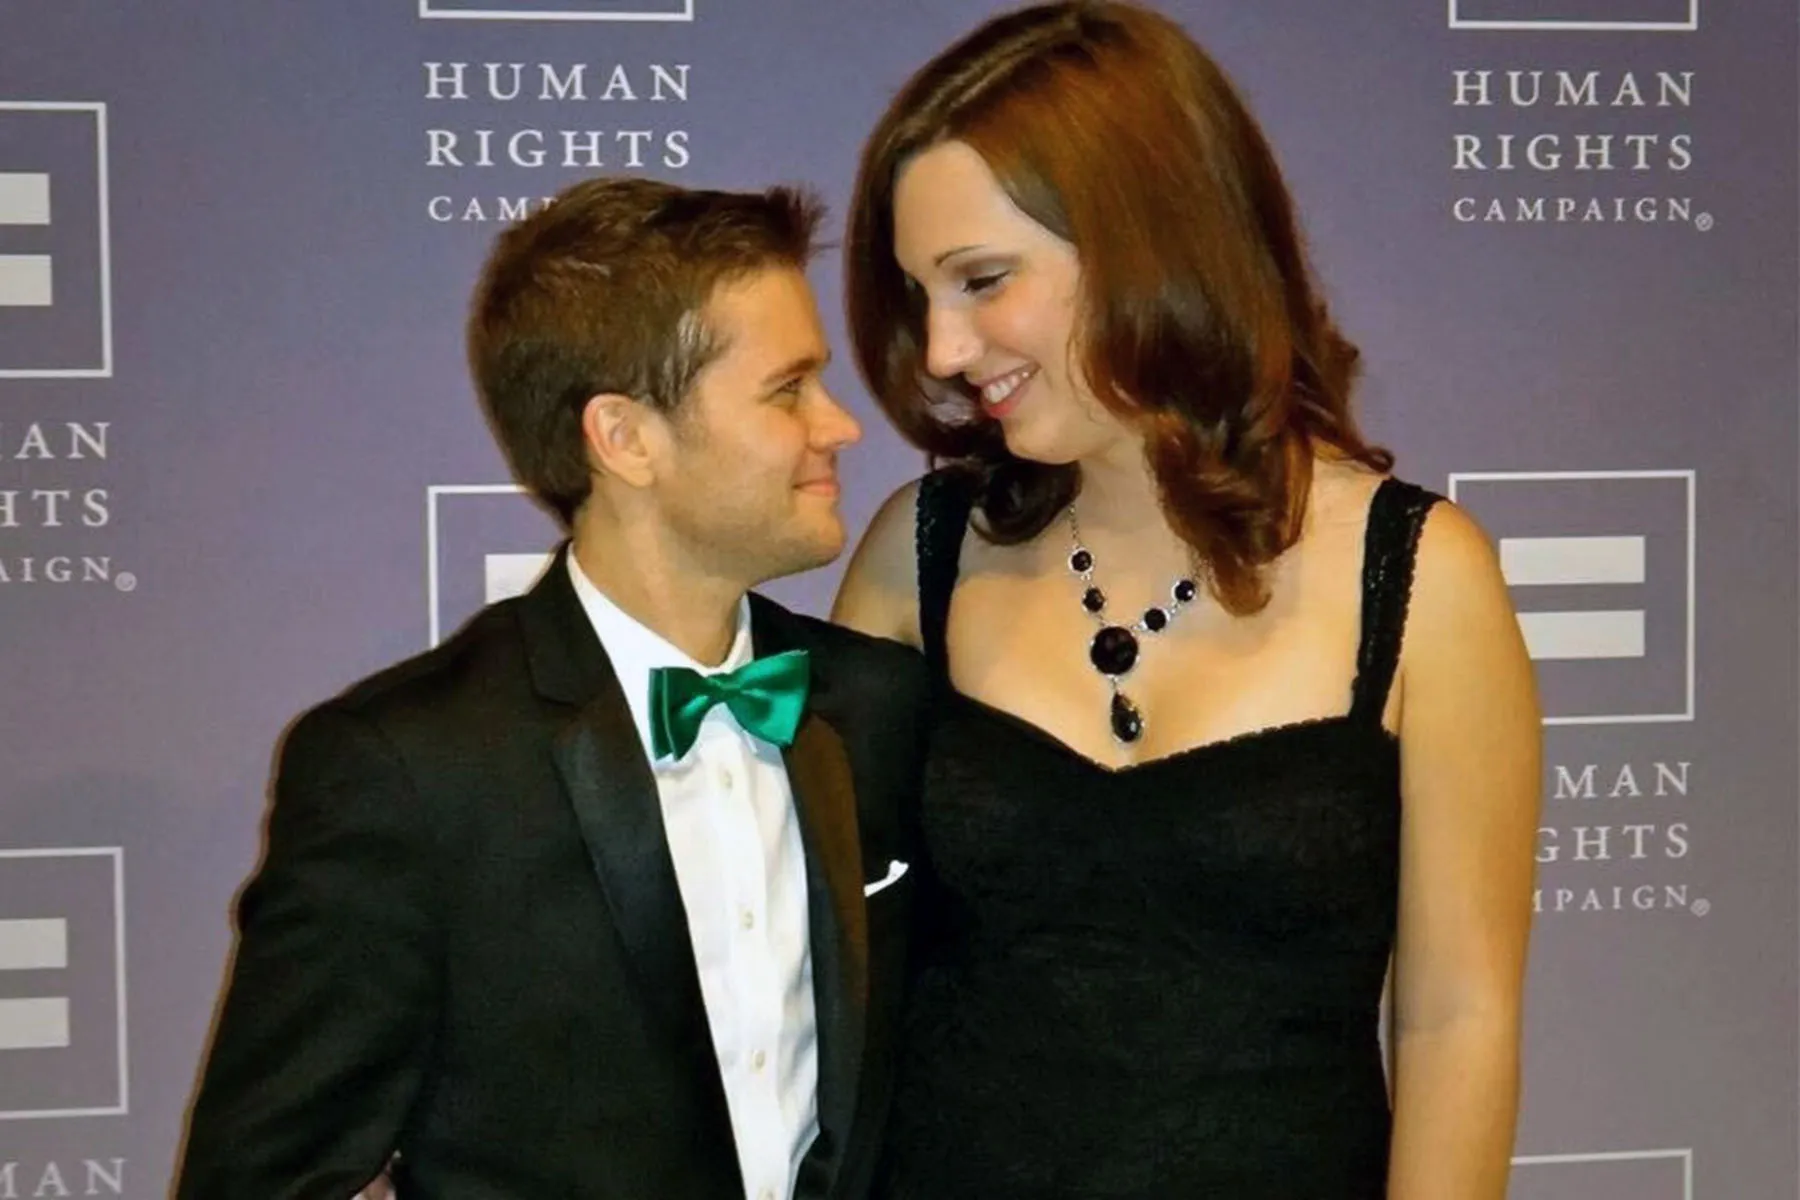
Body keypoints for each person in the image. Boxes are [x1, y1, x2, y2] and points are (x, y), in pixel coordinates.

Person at [832, 3, 1541, 1197]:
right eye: (921, 295)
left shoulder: (1423, 579)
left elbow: (1455, 1021)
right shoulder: (921, 553)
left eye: (982, 281)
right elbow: (800, 959)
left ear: (1146, 242)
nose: (944, 348)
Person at [176, 177, 927, 1200]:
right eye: (787, 388)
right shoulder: (408, 768)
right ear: (625, 438)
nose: (840, 425)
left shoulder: (875, 709)